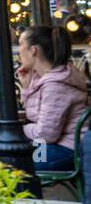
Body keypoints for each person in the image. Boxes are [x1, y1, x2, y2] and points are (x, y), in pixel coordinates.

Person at [17, 25, 90, 172]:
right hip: (49, 145)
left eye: (20, 44)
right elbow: (36, 117)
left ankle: (29, 194)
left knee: (17, 165)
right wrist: (26, 88)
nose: (18, 51)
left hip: (67, 149)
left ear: (33, 50)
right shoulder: (44, 78)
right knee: (8, 157)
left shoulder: (56, 84)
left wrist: (18, 129)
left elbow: (44, 134)